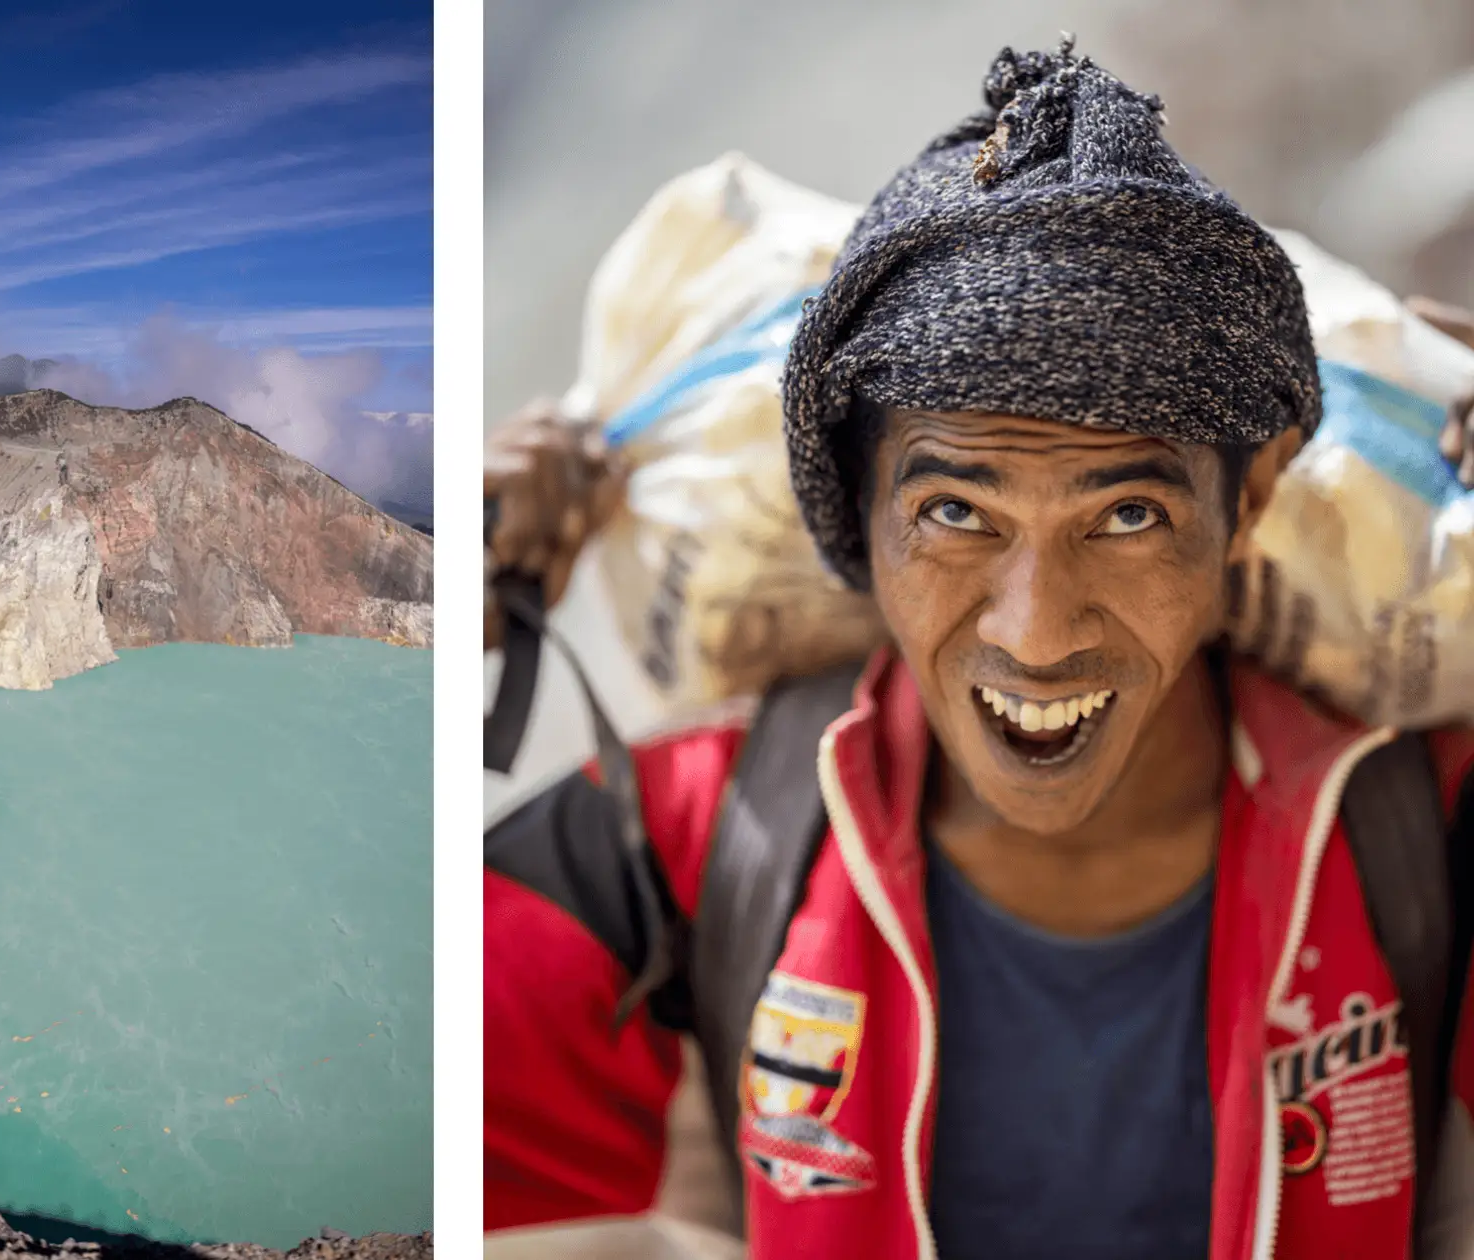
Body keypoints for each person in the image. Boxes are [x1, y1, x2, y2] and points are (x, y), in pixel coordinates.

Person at [484, 40, 1474, 1260]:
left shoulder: (1420, 827)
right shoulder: (690, 838)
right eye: (956, 513)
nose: (1036, 630)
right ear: (858, 510)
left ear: (1253, 498)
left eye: (1127, 516)